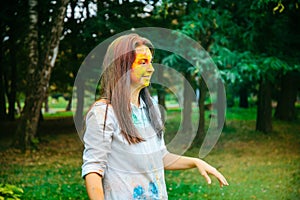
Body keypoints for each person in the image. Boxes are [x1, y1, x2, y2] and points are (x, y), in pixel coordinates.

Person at [81, 33, 229, 200]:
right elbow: (93, 169)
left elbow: (161, 157)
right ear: (121, 66)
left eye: (150, 62)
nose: (150, 68)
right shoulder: (103, 113)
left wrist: (196, 162)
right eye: (143, 62)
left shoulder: (151, 109)